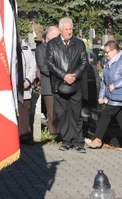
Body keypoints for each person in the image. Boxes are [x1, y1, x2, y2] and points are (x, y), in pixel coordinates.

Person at [46, 17, 88, 152]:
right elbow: (50, 63)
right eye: (66, 29)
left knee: (76, 114)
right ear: (60, 30)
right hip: (59, 85)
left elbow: (84, 62)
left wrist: (74, 76)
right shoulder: (52, 44)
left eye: (71, 29)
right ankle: (66, 141)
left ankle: (77, 141)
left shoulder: (79, 43)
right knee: (62, 114)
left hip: (76, 84)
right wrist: (64, 75)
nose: (69, 32)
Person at [86, 40, 122, 152]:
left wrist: (116, 85)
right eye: (105, 52)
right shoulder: (108, 63)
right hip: (113, 96)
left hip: (120, 96)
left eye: (107, 52)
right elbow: (105, 82)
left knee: (105, 113)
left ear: (114, 50)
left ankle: (97, 140)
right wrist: (101, 96)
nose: (105, 54)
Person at [35, 26, 60, 137]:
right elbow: (42, 66)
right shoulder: (41, 49)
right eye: (57, 35)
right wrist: (59, 74)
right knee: (51, 111)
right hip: (49, 84)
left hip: (60, 84)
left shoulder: (60, 47)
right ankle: (53, 134)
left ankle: (61, 133)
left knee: (59, 110)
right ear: (49, 36)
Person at [18, 39, 37, 144]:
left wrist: (29, 80)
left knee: (24, 112)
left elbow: (32, 66)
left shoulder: (26, 47)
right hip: (12, 86)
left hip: (25, 85)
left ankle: (25, 136)